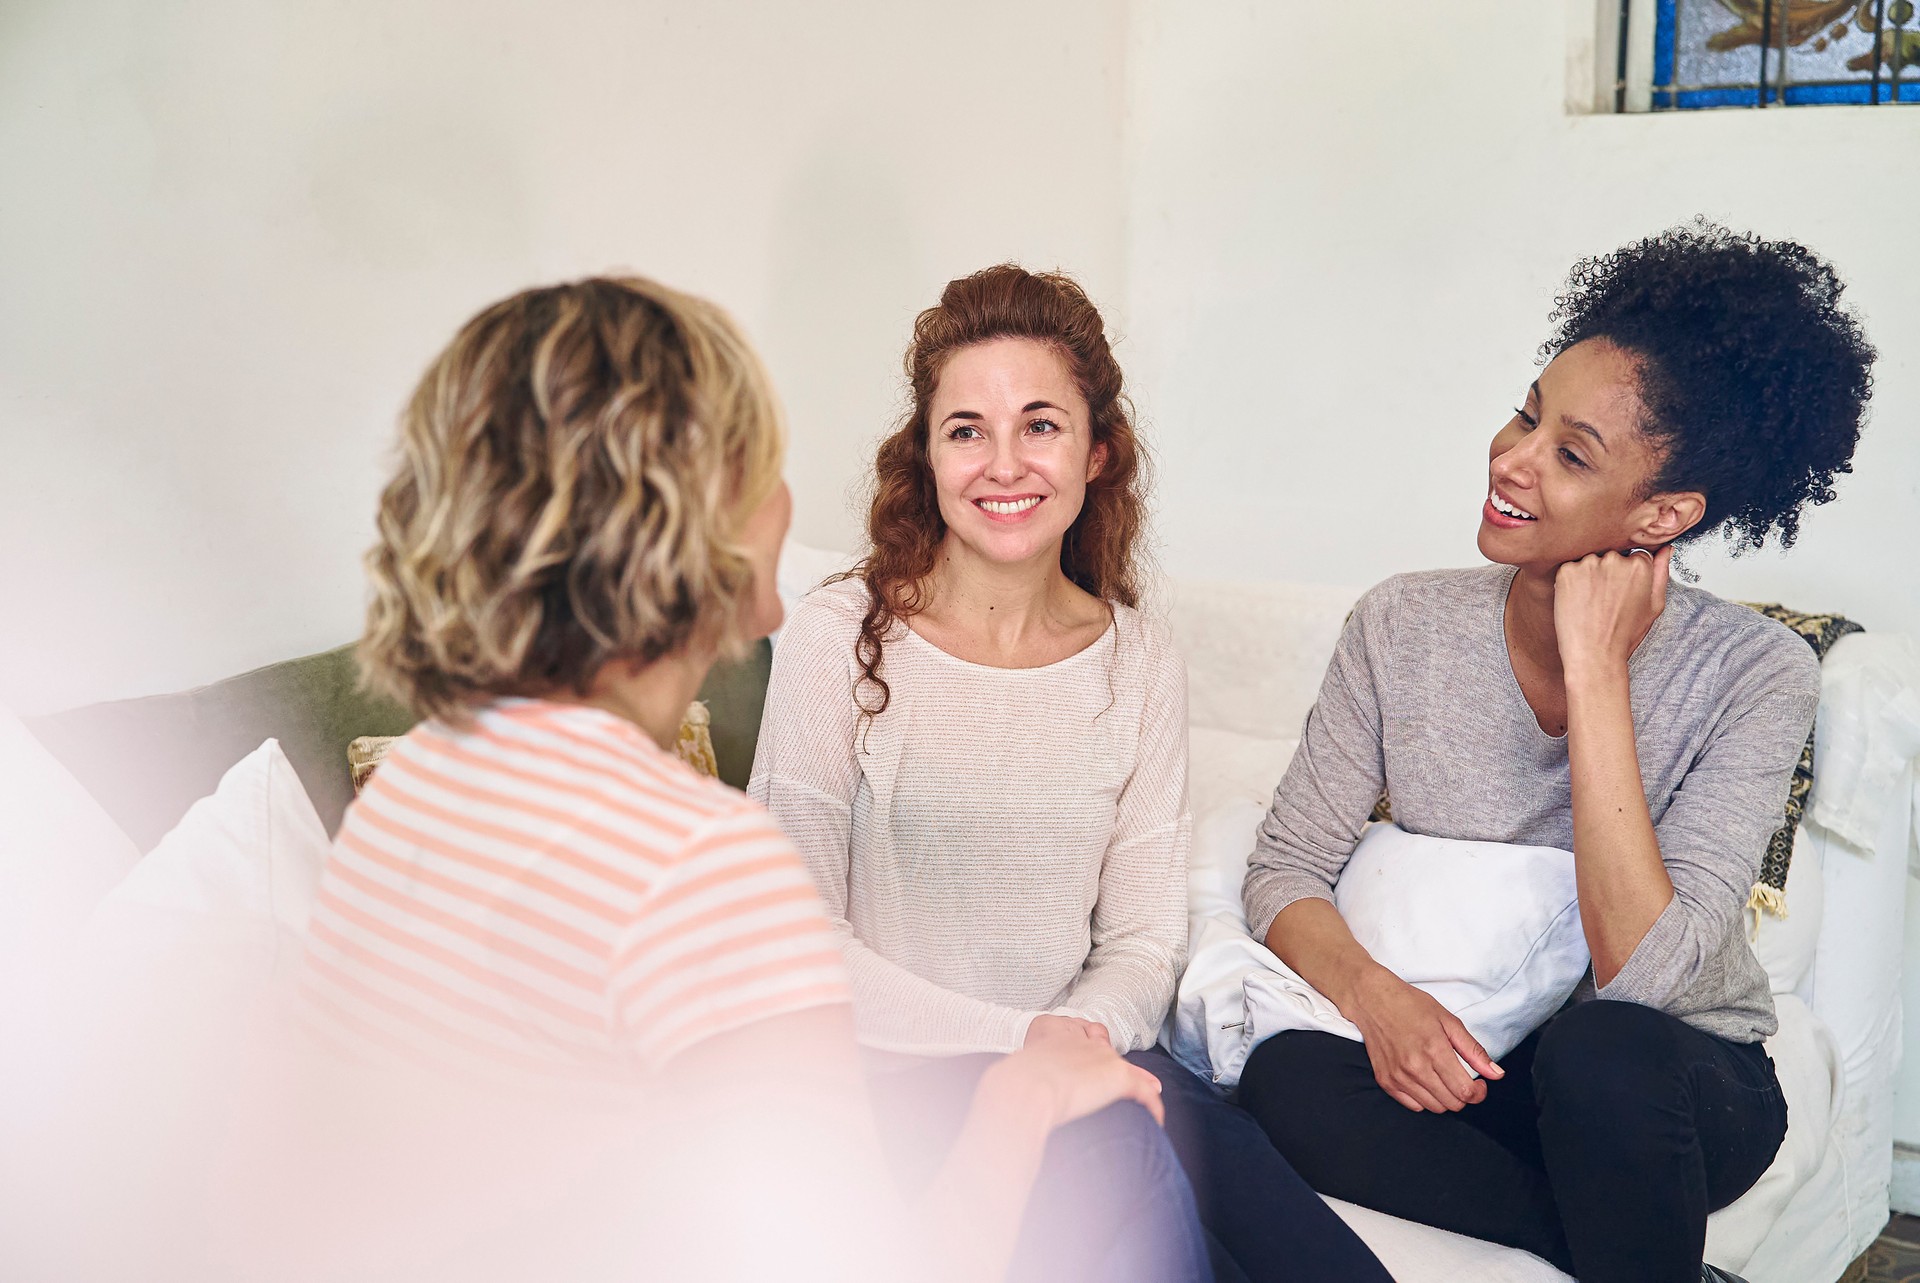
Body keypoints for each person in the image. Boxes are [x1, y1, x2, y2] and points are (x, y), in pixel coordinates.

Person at [296, 275, 1204, 1283]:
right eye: (765, 459)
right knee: (1123, 1151)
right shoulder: (700, 867)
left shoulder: (417, 786)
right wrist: (1022, 1090)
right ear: (700, 520)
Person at [1236, 222, 1876, 1283]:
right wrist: (1379, 998)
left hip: (1673, 1077)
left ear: (1664, 513)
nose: (1512, 458)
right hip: (1493, 1067)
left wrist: (1597, 669)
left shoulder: (1759, 670)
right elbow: (1283, 868)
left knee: (1599, 1052)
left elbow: (1646, 972)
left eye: (1570, 453)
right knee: (1285, 1077)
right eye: (1527, 414)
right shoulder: (1400, 623)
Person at [751, 263, 1392, 1283]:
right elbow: (794, 941)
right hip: (895, 1075)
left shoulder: (1140, 660)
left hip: (1099, 1056)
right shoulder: (839, 636)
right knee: (1131, 1176)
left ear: (1099, 452)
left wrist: (1075, 1046)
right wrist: (1033, 1053)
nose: (1003, 462)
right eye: (966, 428)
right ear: (925, 455)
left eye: (1039, 424)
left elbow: (1142, 934)